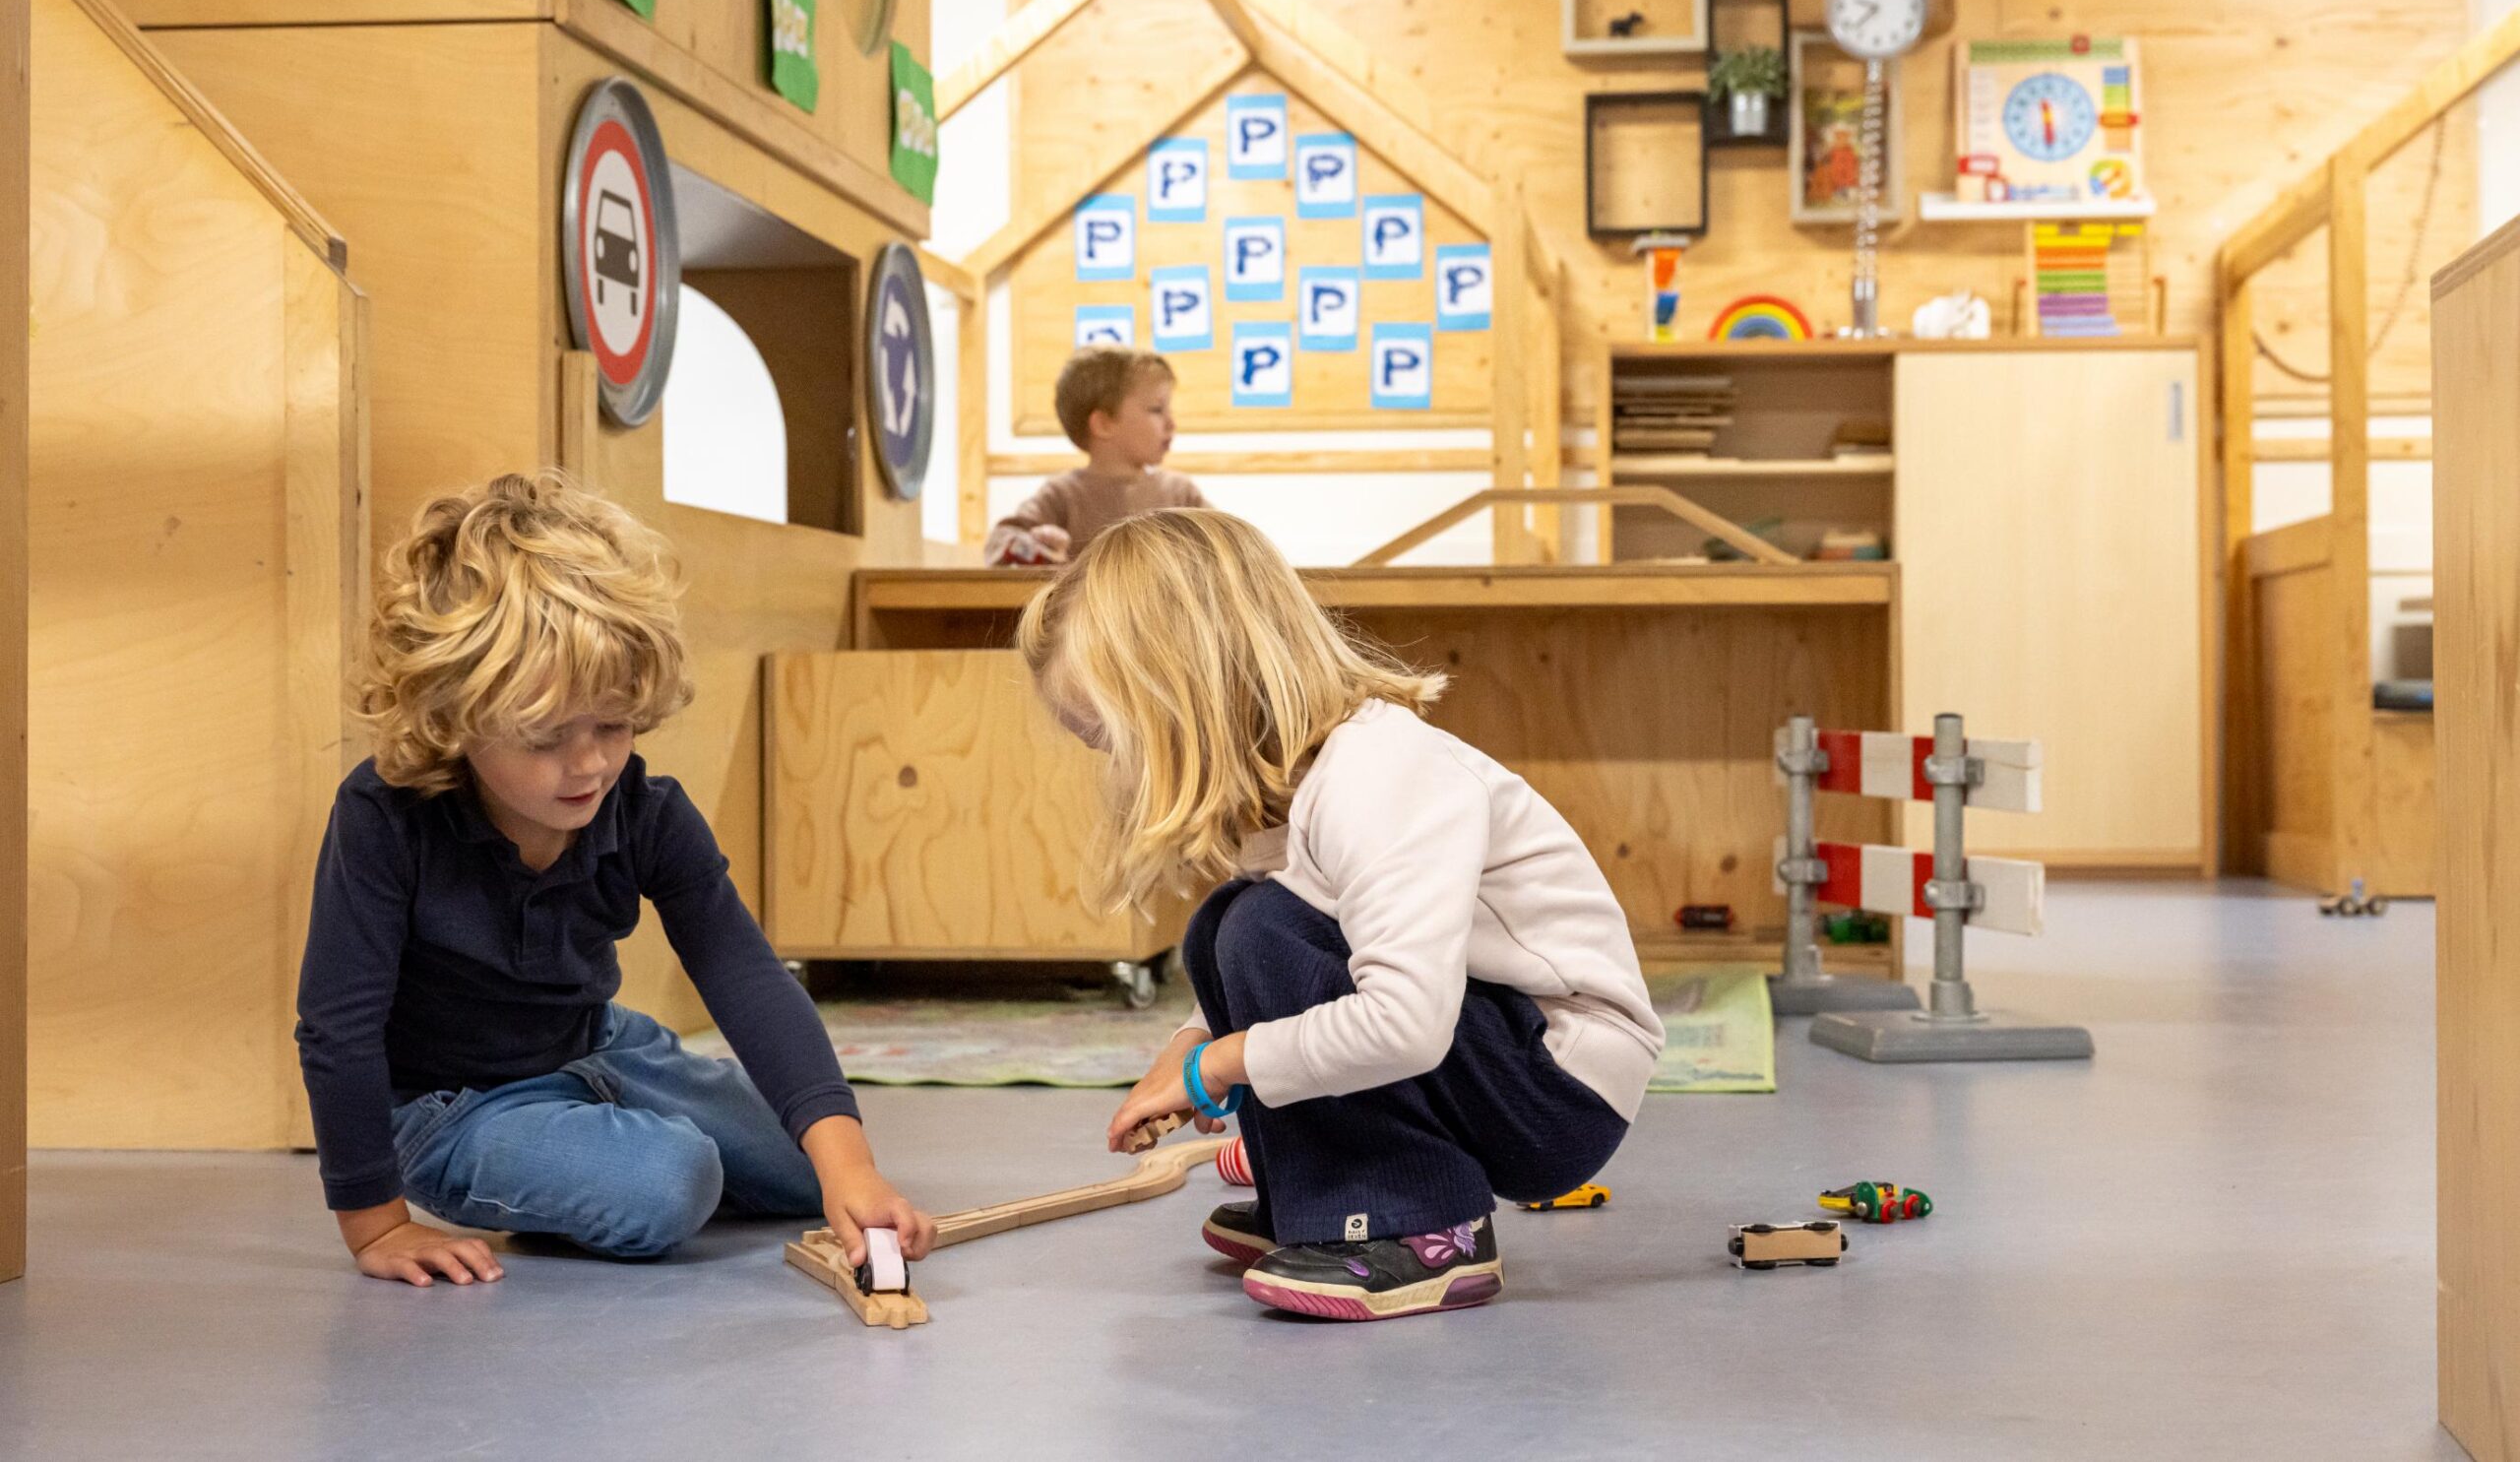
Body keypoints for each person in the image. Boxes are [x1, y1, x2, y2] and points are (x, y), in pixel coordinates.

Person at [1017, 510, 1664, 1321]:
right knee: (1227, 927)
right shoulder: (1298, 785)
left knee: (1257, 930)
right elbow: (1303, 956)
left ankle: (1427, 1227)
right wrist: (1189, 1044)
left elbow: (1405, 1024)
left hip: (1558, 1091)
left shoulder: (1379, 779)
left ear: (1188, 692)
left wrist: (1216, 1067)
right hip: (1499, 1054)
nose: (1115, 763)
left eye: (1115, 736)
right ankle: (1327, 1201)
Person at [294, 473, 934, 1287]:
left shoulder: (647, 812)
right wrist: (374, 1224)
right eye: (546, 736)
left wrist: (848, 1165)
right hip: (449, 1106)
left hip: (598, 1049)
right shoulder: (383, 817)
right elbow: (336, 1028)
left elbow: (743, 974)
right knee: (670, 1184)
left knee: (811, 1149)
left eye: (614, 723)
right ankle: (580, 1151)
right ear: (454, 715)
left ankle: (598, 1125)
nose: (590, 762)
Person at [984, 347, 1205, 566]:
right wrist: (1040, 549)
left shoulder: (1181, 494)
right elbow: (1001, 541)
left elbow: (1228, 547)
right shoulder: (1062, 495)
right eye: (1157, 409)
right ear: (1103, 424)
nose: (1171, 424)